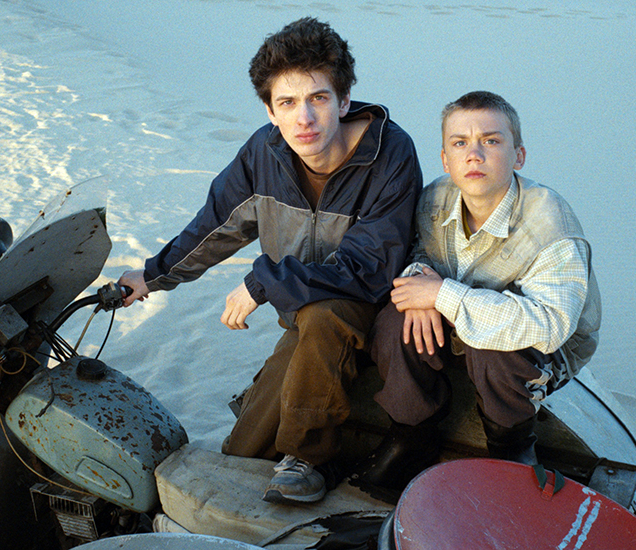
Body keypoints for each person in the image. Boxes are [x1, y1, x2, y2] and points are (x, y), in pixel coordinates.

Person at [118, 17, 422, 504]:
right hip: (301, 314)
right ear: (270, 110)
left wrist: (263, 283)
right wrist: (153, 276)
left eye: (318, 98)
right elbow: (215, 225)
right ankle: (282, 430)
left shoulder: (390, 154)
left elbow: (368, 270)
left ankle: (310, 459)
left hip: (372, 309)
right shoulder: (265, 153)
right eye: (288, 103)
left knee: (325, 314)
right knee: (242, 452)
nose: (305, 118)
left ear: (344, 100)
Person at [355, 91, 601, 492]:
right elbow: (418, 253)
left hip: (546, 347)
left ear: (519, 156)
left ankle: (511, 446)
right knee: (396, 318)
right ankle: (412, 435)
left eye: (491, 141)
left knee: (493, 347)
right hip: (459, 320)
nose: (474, 155)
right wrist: (420, 281)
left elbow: (550, 326)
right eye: (460, 143)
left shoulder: (549, 222)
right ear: (445, 159)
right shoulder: (434, 198)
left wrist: (441, 296)